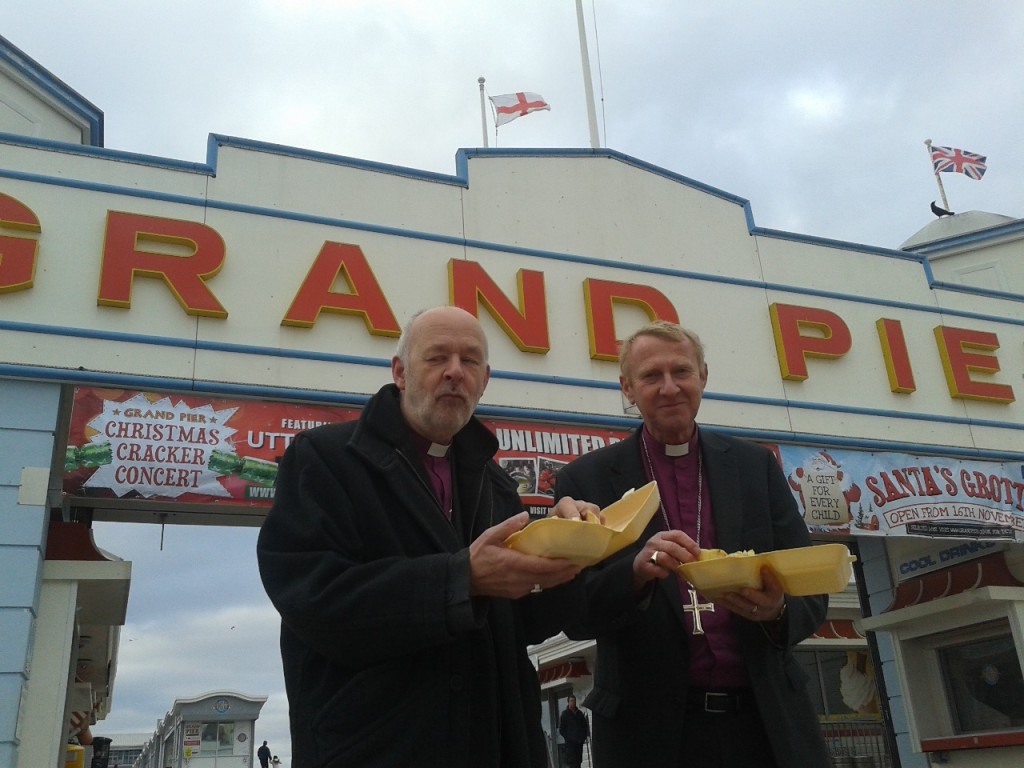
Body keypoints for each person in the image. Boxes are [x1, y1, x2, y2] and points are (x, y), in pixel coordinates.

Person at [257, 306, 597, 768]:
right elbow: (312, 597)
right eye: (437, 357)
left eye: (470, 361)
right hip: (378, 746)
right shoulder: (326, 459)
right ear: (400, 371)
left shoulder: (496, 484)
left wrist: (569, 550)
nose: (455, 372)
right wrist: (460, 579)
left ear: (485, 379)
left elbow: (522, 623)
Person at [555, 320, 831, 768]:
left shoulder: (754, 466)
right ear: (627, 388)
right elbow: (574, 613)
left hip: (765, 726)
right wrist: (636, 574)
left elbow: (812, 589)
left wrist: (778, 610)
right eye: (650, 376)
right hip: (648, 733)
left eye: (681, 372)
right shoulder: (585, 480)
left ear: (703, 376)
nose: (669, 388)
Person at [557, 695, 589, 768]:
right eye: (571, 701)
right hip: (570, 745)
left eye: (574, 701)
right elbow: (562, 729)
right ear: (568, 702)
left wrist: (583, 738)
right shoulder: (565, 714)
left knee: (578, 762)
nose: (573, 702)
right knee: (572, 763)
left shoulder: (579, 714)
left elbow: (585, 727)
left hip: (579, 743)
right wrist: (568, 738)